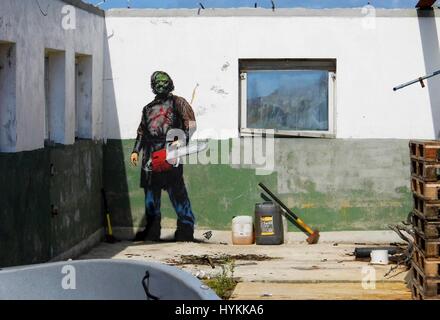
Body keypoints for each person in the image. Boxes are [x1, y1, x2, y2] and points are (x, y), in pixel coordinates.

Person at [130, 71, 197, 242]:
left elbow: (191, 124)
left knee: (178, 194)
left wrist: (181, 140)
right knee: (151, 198)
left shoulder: (178, 103)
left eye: (164, 81)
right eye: (157, 82)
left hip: (171, 153)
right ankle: (152, 231)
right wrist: (135, 151)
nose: (161, 85)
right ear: (153, 85)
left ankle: (186, 230)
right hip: (150, 156)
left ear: (170, 83)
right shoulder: (147, 109)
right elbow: (141, 132)